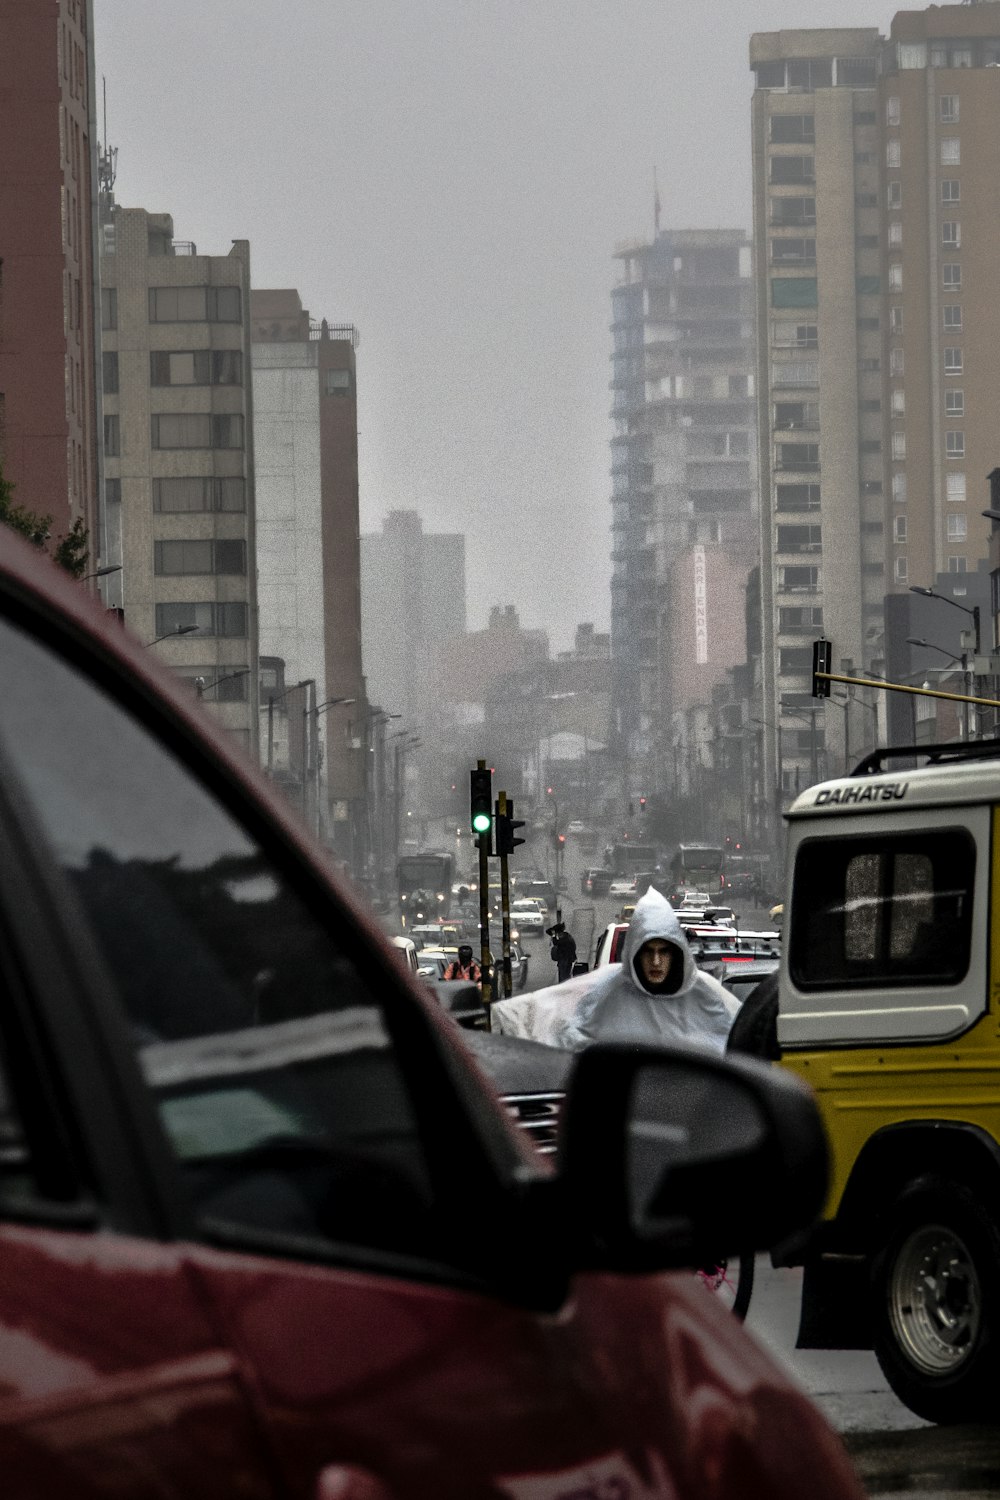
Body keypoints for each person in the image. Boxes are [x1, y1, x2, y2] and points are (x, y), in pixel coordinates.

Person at [493, 887, 739, 1053]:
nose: (655, 962)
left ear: (676, 954)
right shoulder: (605, 991)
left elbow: (746, 1036)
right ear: (634, 952)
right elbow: (544, 1011)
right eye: (648, 952)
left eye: (663, 952)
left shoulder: (708, 995)